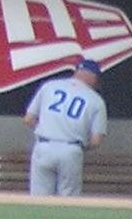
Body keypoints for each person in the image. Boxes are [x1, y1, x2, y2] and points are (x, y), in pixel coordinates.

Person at [23, 59, 108, 197]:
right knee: (68, 201)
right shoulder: (96, 100)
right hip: (71, 149)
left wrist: (48, 130)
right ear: (93, 76)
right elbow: (96, 141)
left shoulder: (50, 86)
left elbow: (28, 119)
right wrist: (78, 146)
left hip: (44, 145)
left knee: (39, 200)